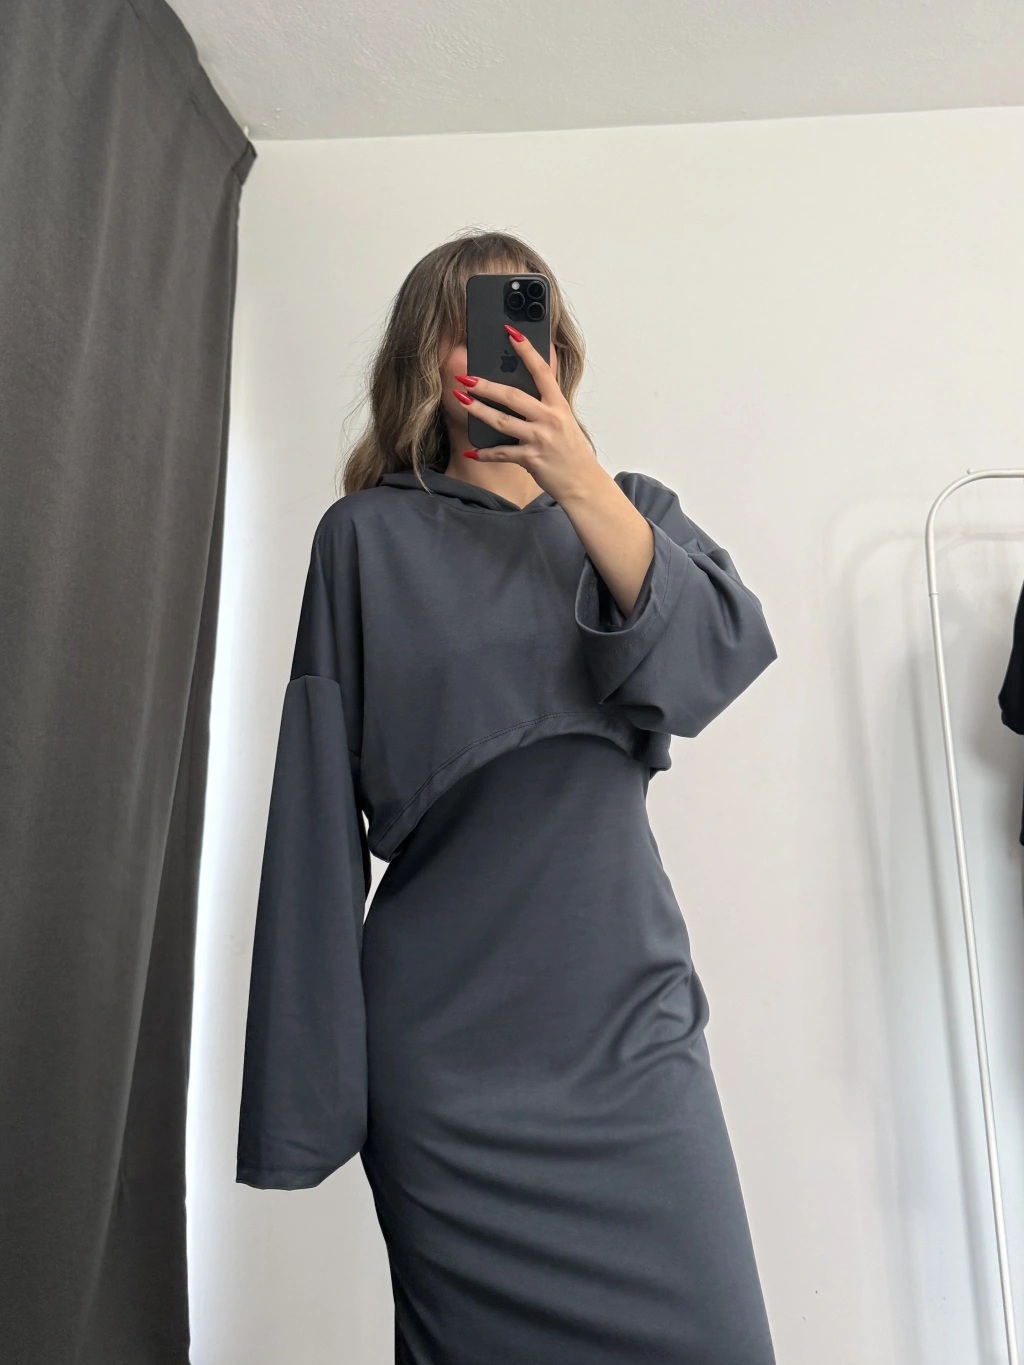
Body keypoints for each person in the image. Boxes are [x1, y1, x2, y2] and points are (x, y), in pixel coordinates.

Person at [236, 229, 779, 1365]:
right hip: (449, 1068)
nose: (493, 353)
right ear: (422, 360)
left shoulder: (628, 513)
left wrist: (576, 478)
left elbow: (719, 659)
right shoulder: (363, 539)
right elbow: (313, 822)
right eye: (462, 330)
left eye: (516, 324)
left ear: (554, 347)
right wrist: (307, 1094)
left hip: (628, 1033)